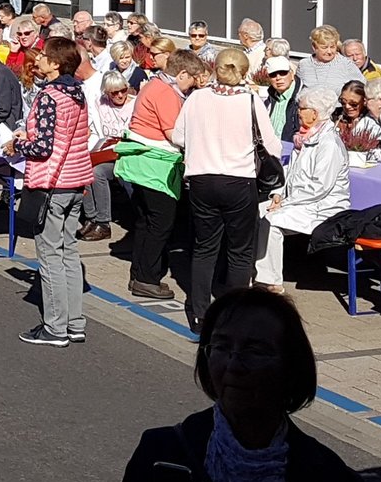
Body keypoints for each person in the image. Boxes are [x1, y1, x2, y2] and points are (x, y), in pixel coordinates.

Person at [121, 287, 364, 482]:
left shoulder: (327, 475)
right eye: (221, 347)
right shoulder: (161, 455)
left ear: (291, 366)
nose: (234, 365)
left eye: (255, 351)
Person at [173, 49, 280, 330]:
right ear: (244, 72)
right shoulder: (250, 101)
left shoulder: (196, 98)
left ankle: (199, 313)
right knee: (240, 251)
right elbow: (272, 147)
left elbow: (178, 136)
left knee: (204, 248)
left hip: (201, 179)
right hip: (238, 180)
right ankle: (234, 314)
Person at [9, 36, 93, 346]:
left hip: (52, 182)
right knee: (69, 253)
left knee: (50, 256)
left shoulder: (50, 95)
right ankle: (74, 322)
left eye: (44, 56)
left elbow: (42, 146)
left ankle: (55, 327)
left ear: (55, 64)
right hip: (75, 179)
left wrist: (18, 142)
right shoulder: (78, 93)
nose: (39, 60)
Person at [122, 52, 205, 300]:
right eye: (191, 79)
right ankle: (148, 279)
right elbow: (174, 134)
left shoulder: (154, 85)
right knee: (160, 223)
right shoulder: (166, 93)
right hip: (155, 165)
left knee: (145, 221)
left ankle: (138, 273)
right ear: (181, 74)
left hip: (140, 163)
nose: (192, 85)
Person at [252, 90, 350, 294]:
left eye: (302, 108)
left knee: (271, 220)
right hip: (301, 201)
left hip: (323, 206)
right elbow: (291, 173)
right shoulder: (306, 137)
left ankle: (270, 281)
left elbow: (319, 187)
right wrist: (277, 194)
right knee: (256, 210)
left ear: (314, 113)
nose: (298, 112)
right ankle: (253, 270)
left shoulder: (329, 144)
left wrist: (285, 203)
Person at [81, 72, 135, 241]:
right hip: (106, 151)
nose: (120, 95)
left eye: (123, 90)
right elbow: (95, 129)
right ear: (106, 92)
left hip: (127, 153)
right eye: (114, 92)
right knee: (85, 167)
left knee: (98, 173)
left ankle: (103, 223)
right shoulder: (100, 104)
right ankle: (91, 217)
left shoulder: (135, 104)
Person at [294, 26, 364, 96]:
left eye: (332, 47)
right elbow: (296, 91)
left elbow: (362, 89)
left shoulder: (346, 65)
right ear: (314, 47)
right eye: (324, 47)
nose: (329, 51)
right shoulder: (304, 65)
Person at [261, 57, 302, 141]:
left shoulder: (303, 98)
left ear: (292, 74)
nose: (278, 78)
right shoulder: (269, 99)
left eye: (283, 73)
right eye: (273, 75)